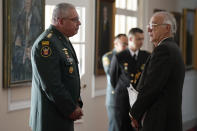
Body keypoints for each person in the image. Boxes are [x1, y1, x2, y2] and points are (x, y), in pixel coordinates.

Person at [29, 3, 83, 131]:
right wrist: (70, 108)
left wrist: (76, 103)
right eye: (74, 19)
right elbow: (52, 84)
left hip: (62, 114)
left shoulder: (62, 41)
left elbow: (71, 77)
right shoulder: (46, 44)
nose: (79, 23)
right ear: (60, 21)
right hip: (51, 118)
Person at [130, 11, 185, 131]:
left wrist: (134, 113)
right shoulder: (173, 48)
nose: (149, 30)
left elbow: (152, 87)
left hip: (159, 121)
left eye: (153, 26)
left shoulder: (163, 49)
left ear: (167, 28)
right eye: (148, 26)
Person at [110, 28, 150, 131]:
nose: (141, 42)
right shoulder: (120, 56)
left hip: (139, 100)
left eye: (142, 39)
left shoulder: (147, 56)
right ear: (131, 39)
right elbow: (113, 78)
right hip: (122, 99)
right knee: (122, 127)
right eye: (138, 39)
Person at [102, 34, 128, 131]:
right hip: (114, 98)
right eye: (123, 43)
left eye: (127, 44)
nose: (126, 46)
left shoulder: (128, 56)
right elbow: (111, 74)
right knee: (115, 126)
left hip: (126, 97)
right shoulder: (108, 57)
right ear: (115, 43)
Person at [12, 0, 42, 81]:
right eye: (25, 3)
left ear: (31, 4)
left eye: (28, 3)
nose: (26, 5)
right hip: (23, 44)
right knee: (17, 57)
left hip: (32, 44)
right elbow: (18, 32)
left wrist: (30, 46)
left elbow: (37, 34)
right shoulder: (21, 16)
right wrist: (18, 41)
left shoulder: (35, 17)